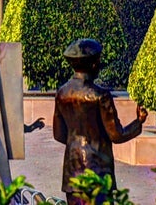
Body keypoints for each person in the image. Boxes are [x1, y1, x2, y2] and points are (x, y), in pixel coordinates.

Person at [53, 38, 147, 199]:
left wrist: (75, 143)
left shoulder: (62, 93)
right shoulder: (100, 96)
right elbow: (116, 134)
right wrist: (138, 121)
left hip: (73, 174)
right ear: (93, 65)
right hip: (98, 172)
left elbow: (59, 134)